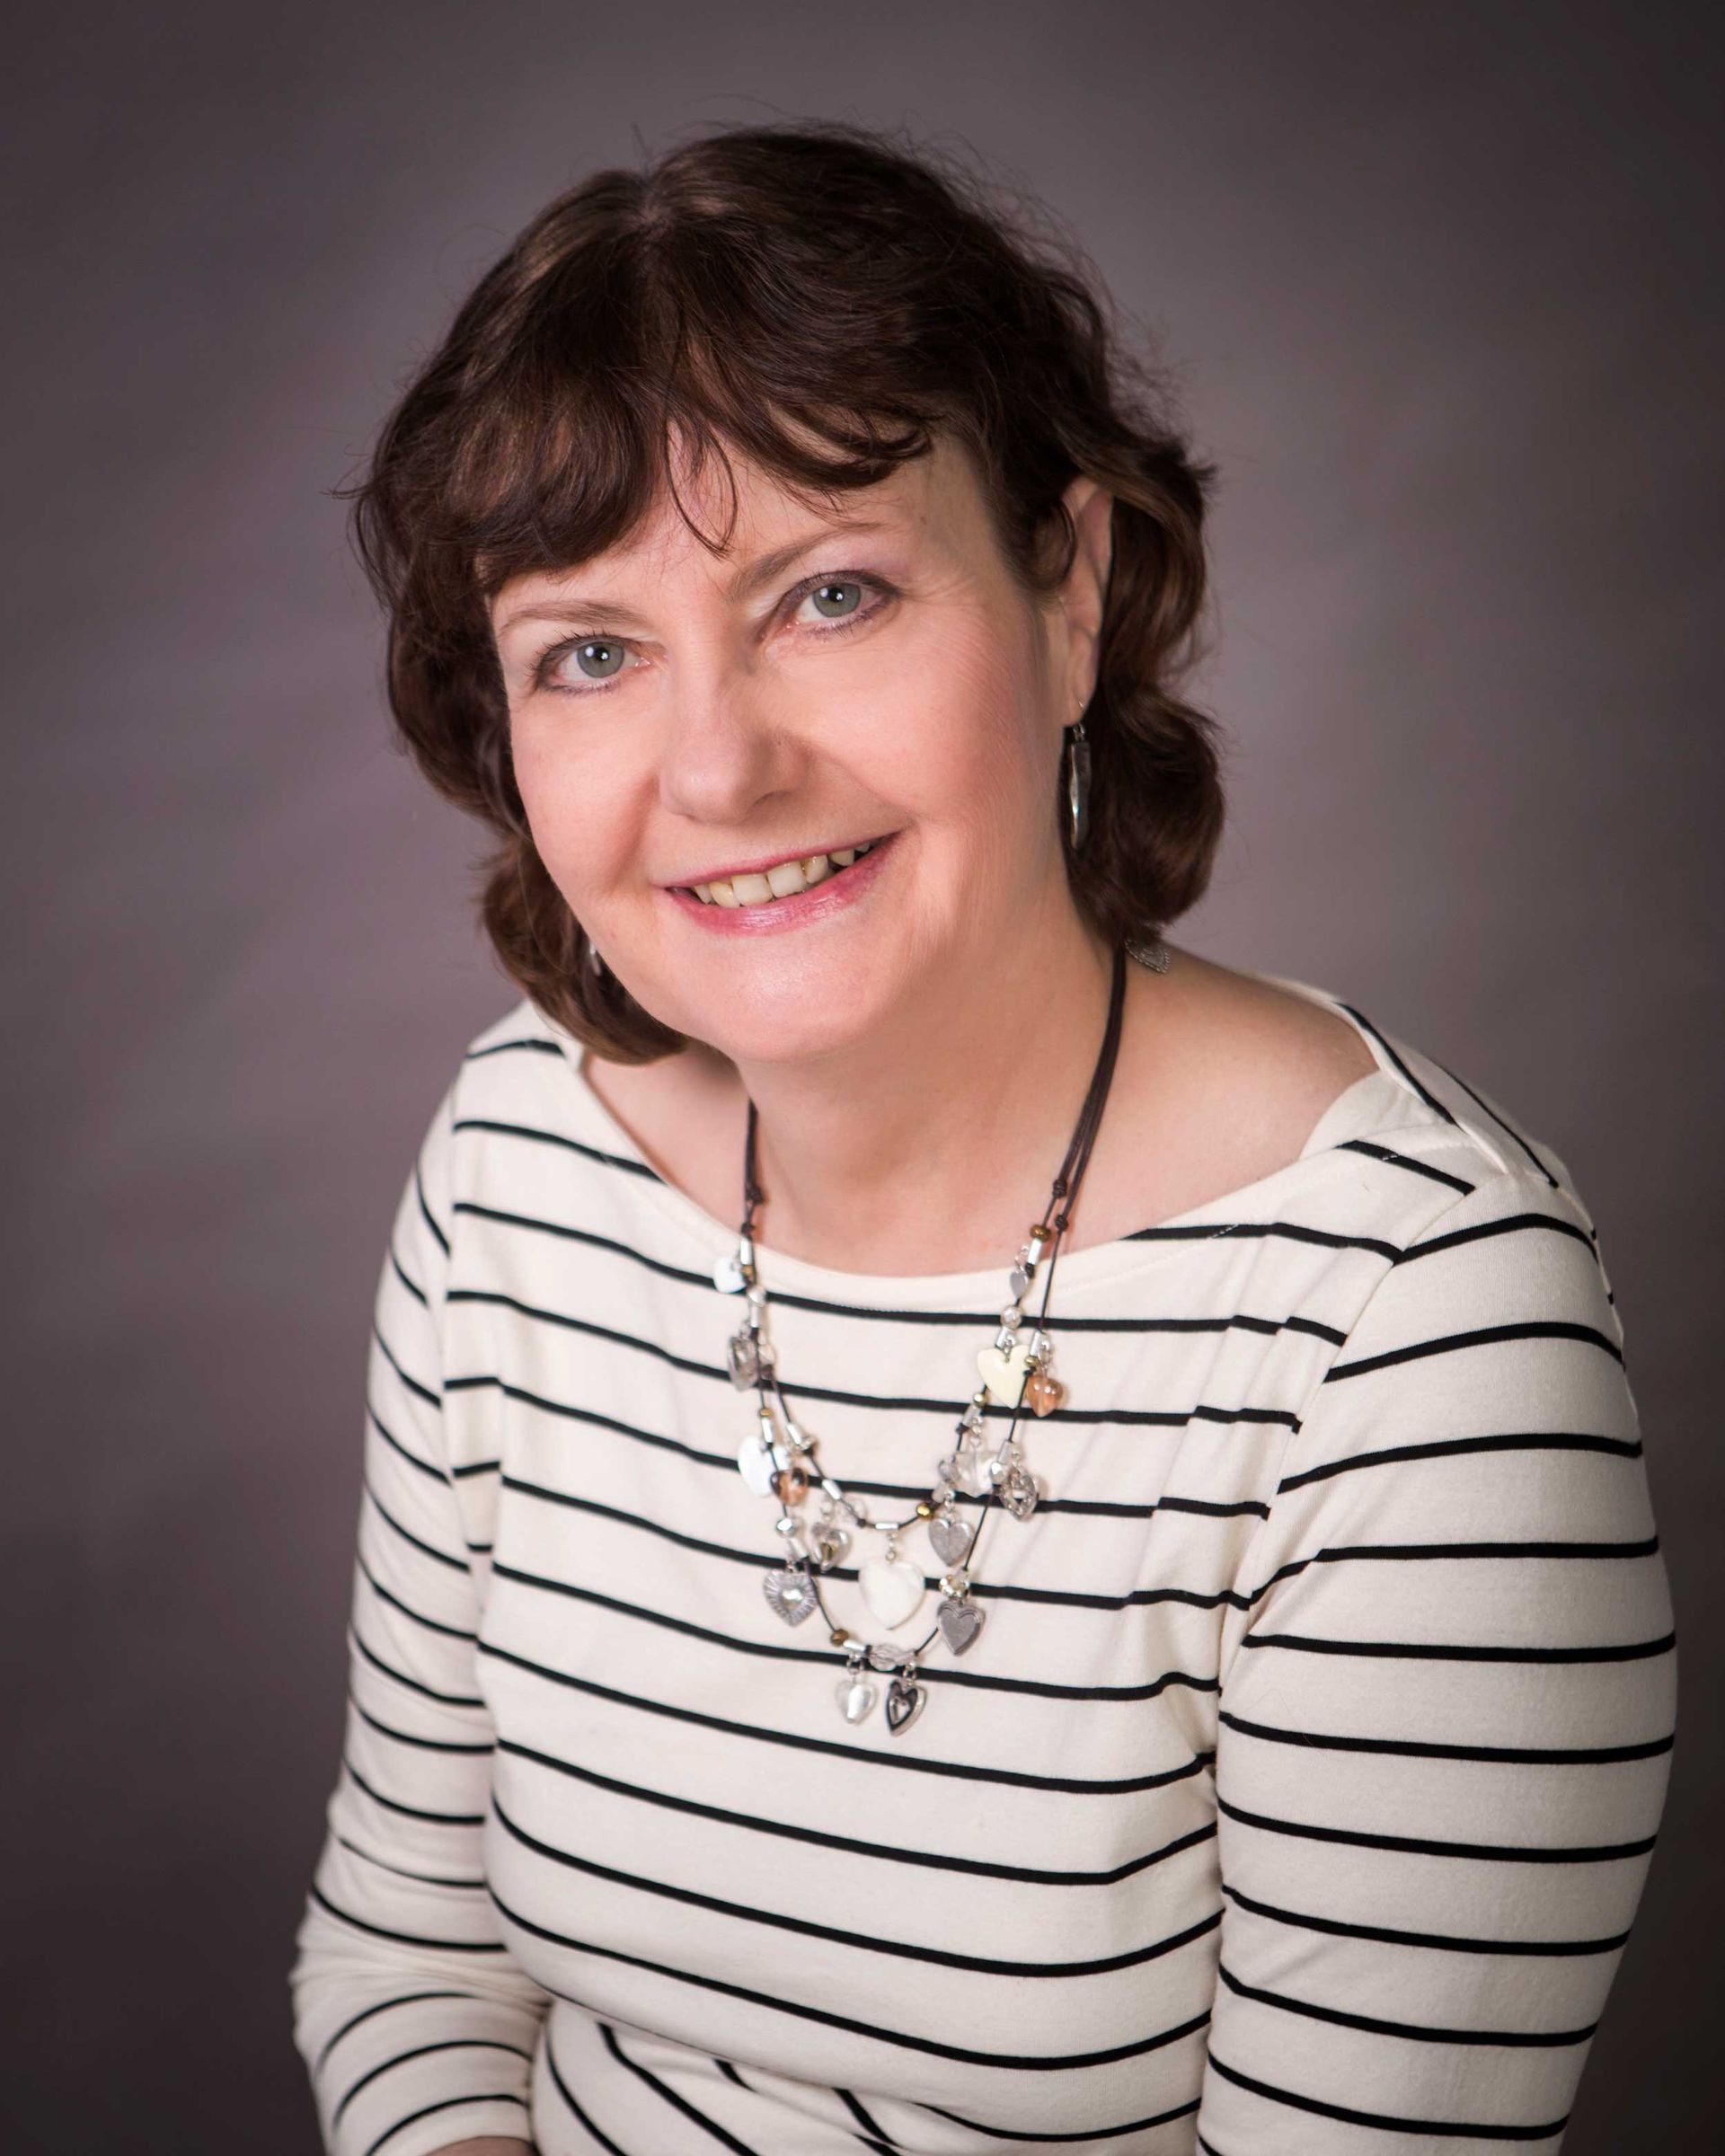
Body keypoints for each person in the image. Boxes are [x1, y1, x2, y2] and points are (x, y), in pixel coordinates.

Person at [288, 119, 1676, 2156]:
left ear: (1077, 587)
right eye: (590, 650)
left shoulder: (1410, 1333)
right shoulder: (522, 1161)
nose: (720, 765)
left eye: (831, 594)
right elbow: (412, 1953)